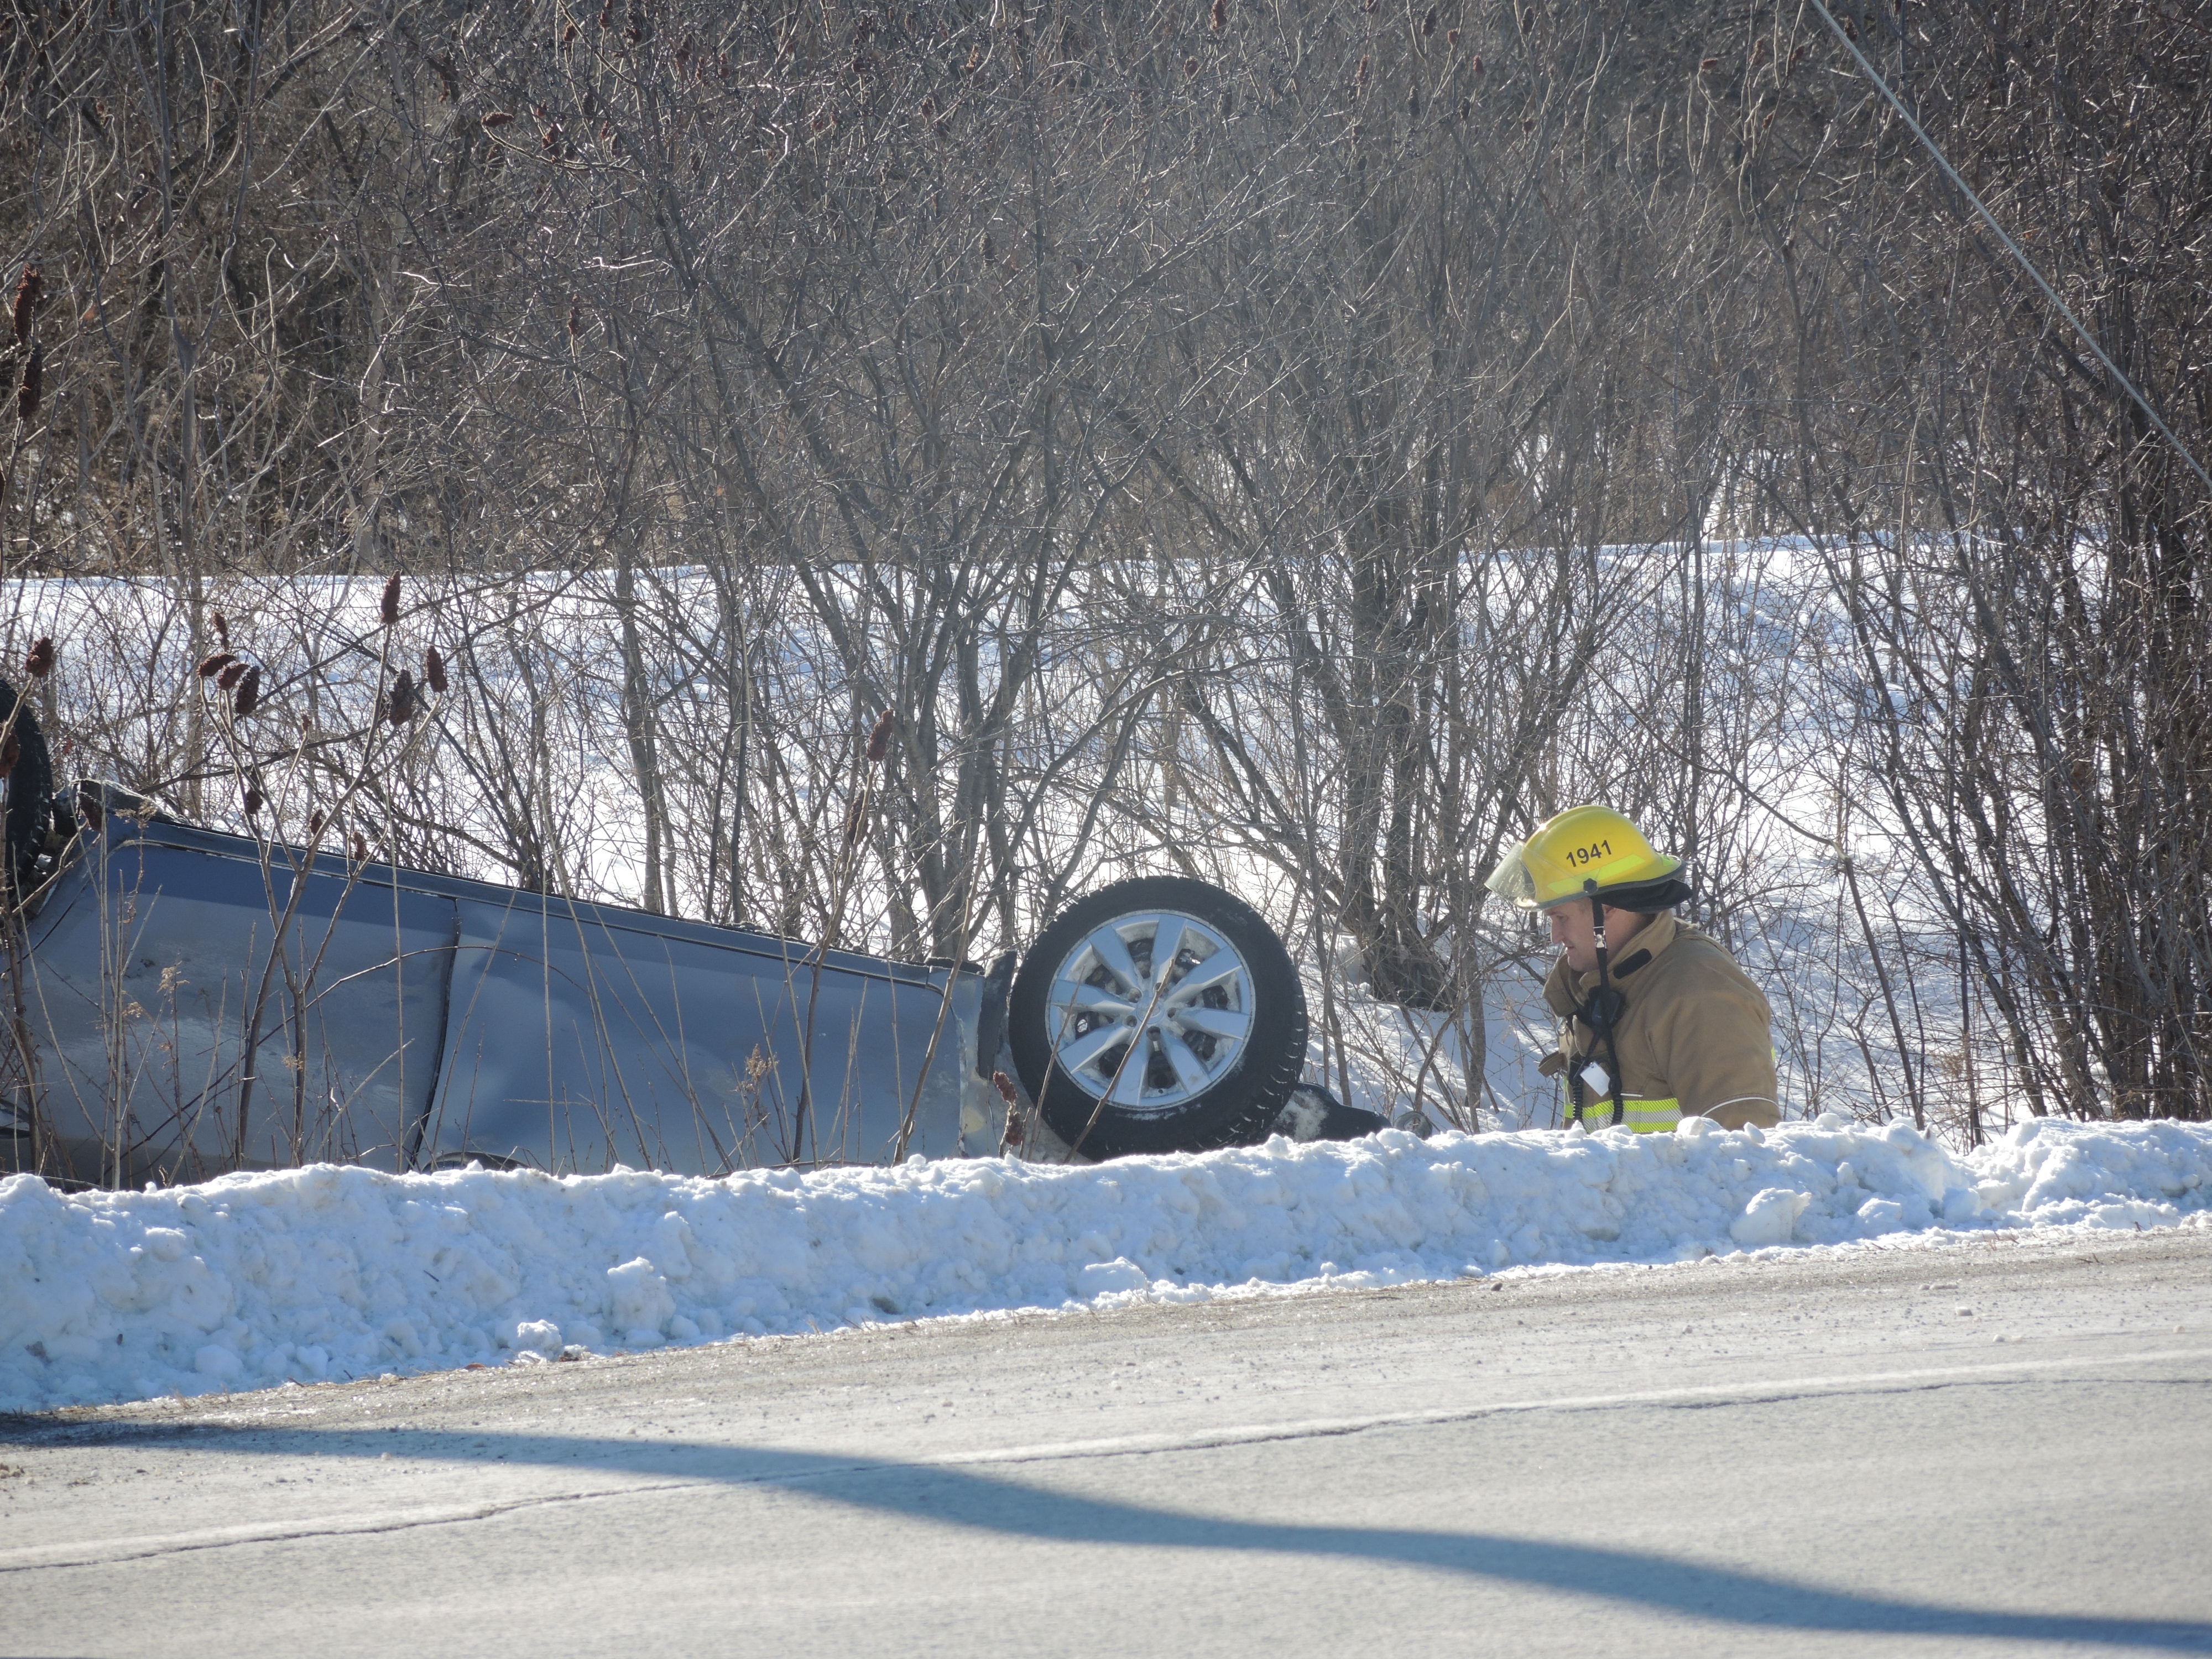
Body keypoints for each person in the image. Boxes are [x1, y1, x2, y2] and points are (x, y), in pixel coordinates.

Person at [1485, 805, 1779, 1132]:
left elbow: (1742, 1157)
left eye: (1561, 917)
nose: (1555, 936)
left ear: (1607, 908)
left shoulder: (1701, 996)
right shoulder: (1597, 984)